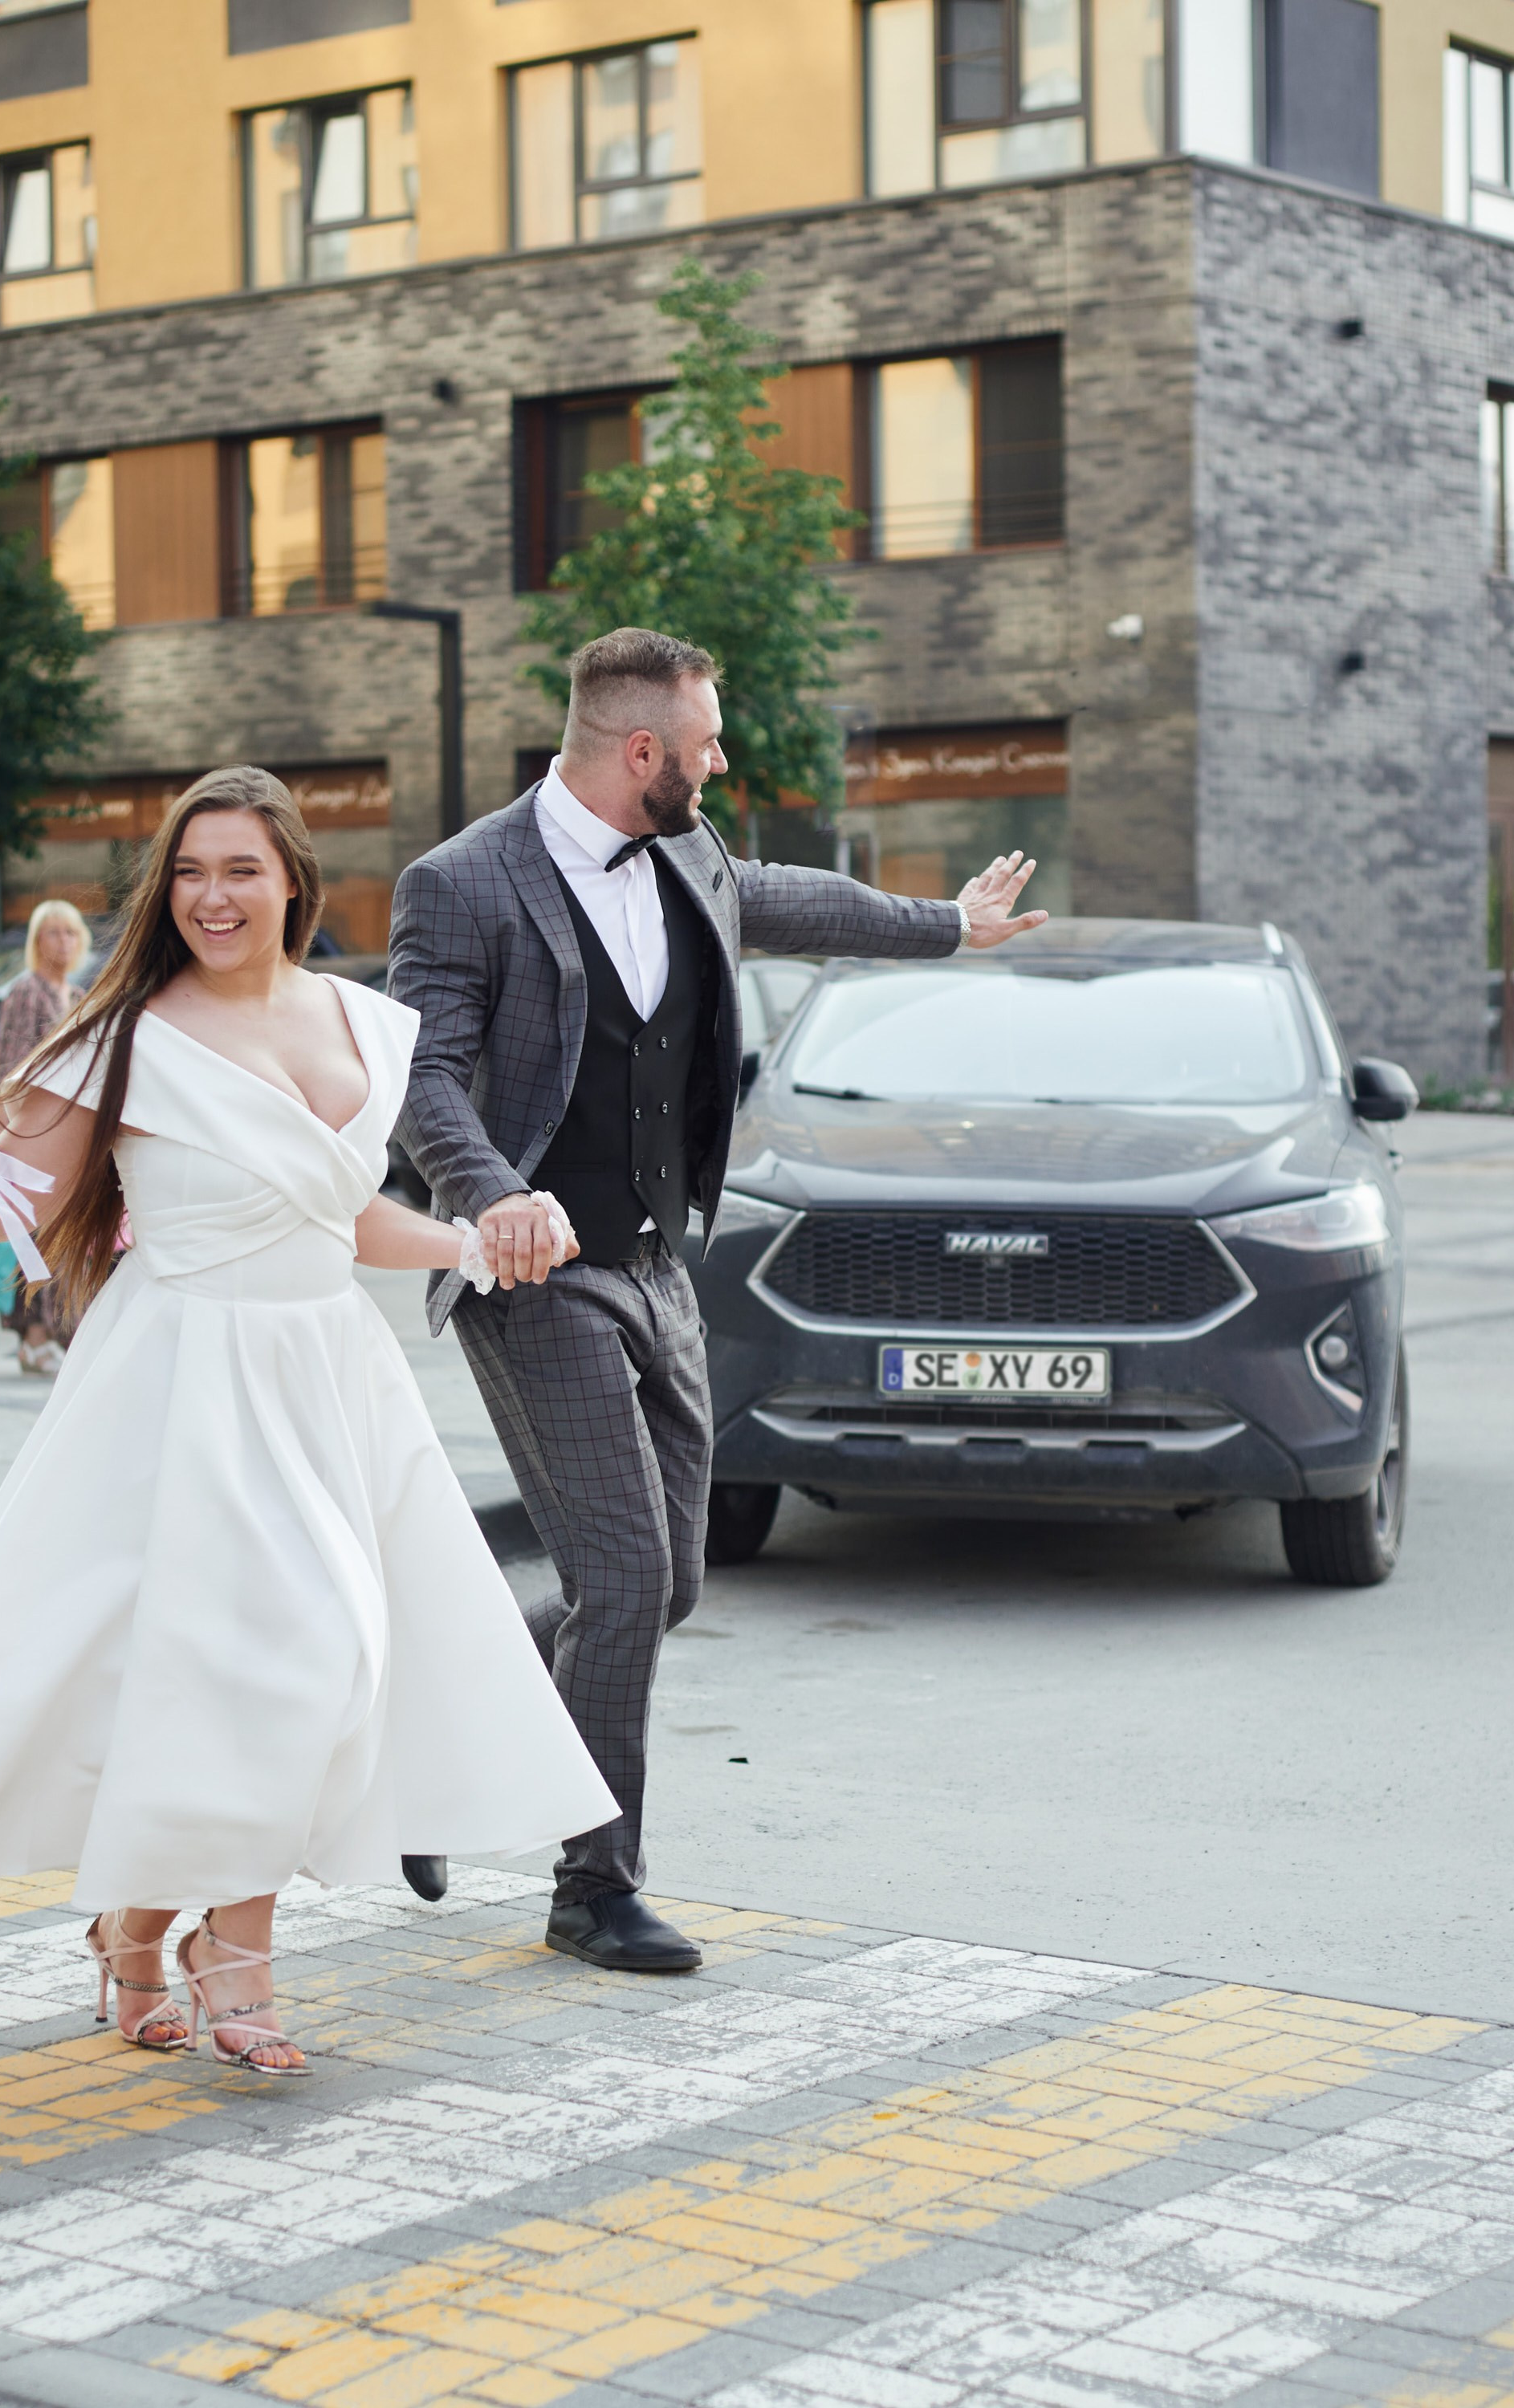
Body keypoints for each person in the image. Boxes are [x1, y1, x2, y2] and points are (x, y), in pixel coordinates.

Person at [0, 766, 614, 2073]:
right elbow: (9, 1210)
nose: (212, 895)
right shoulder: (123, 1036)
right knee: (264, 1667)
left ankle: (163, 1933)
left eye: (240, 869)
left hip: (326, 1376)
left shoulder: (368, 1028)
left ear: (292, 882)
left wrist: (468, 1246)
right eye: (190, 871)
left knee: (321, 1664)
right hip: (179, 1382)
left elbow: (333, 1210)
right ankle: (216, 1952)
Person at [389, 628, 1045, 1975]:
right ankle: (593, 1889)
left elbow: (796, 898)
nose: (723, 760)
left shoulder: (689, 852)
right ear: (644, 753)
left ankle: (441, 1719)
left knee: (666, 1583)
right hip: (535, 1275)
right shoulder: (461, 885)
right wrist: (493, 1190)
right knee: (621, 1578)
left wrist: (950, 928)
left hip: (653, 1266)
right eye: (708, 743)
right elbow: (422, 1074)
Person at [0, 899, 91, 1376]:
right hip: (33, 1132)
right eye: (53, 933)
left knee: (61, 1238)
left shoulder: (75, 995)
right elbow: (9, 1068)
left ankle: (51, 1334)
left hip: (70, 1133)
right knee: (32, 1236)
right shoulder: (27, 992)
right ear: (36, 941)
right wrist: (7, 1136)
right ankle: (32, 1336)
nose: (63, 942)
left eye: (70, 933)